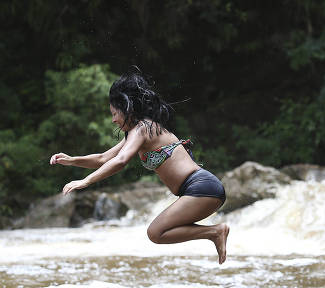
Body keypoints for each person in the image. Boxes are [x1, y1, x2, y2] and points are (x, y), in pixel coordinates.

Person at [49, 70, 230, 263]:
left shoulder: (144, 128)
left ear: (127, 109)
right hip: (200, 190)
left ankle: (215, 232)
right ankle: (214, 232)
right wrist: (71, 160)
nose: (113, 120)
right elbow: (103, 158)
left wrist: (86, 181)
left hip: (202, 188)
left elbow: (120, 161)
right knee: (156, 233)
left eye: (115, 113)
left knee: (156, 232)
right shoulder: (135, 133)